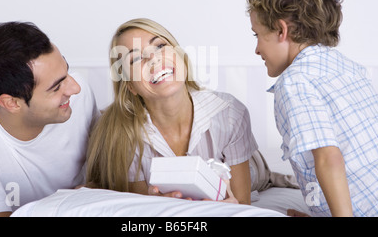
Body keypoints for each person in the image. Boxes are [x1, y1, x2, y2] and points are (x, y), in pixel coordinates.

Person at [245, 0, 378, 216]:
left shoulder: (295, 82)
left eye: (257, 35)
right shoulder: (347, 67)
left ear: (281, 30)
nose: (257, 49)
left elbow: (328, 158)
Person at [86, 18, 259, 204]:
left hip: (251, 167)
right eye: (135, 58)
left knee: (259, 175)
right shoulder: (123, 136)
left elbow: (242, 205)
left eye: (160, 46)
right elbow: (147, 208)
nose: (154, 58)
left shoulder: (230, 113)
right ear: (130, 86)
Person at [0, 22, 99, 217]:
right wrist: (65, 204)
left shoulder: (77, 98)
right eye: (56, 87)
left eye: (67, 71)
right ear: (11, 103)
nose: (75, 88)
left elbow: (107, 177)